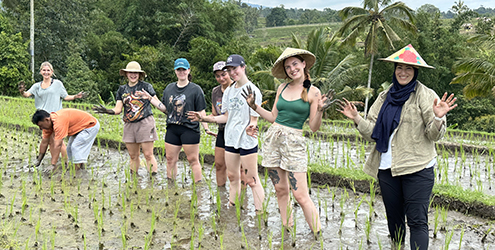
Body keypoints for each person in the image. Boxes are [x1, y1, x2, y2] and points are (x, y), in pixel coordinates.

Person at [338, 44, 457, 250]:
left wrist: (438, 118)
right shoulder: (385, 96)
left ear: (415, 71)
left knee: (417, 220)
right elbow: (372, 132)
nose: (403, 72)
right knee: (394, 220)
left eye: (408, 68)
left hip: (417, 167)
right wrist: (356, 117)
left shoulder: (425, 95)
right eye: (399, 68)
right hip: (386, 168)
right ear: (394, 70)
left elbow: (433, 135)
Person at [242, 48, 332, 233]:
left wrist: (321, 110)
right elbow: (274, 117)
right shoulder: (282, 88)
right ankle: (287, 229)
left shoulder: (313, 92)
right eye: (288, 66)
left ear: (304, 64)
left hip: (294, 143)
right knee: (280, 190)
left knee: (300, 195)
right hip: (274, 140)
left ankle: (318, 236)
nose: (292, 69)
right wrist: (254, 106)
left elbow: (314, 127)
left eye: (295, 64)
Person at [188, 54, 265, 211]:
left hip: (247, 139)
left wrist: (252, 125)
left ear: (243, 67)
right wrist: (204, 119)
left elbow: (254, 119)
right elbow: (225, 117)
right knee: (232, 177)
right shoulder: (229, 91)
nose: (232, 73)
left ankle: (259, 214)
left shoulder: (253, 91)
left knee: (251, 180)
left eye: (234, 69)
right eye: (229, 70)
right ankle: (232, 208)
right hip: (230, 139)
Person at [137, 58, 207, 183]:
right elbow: (165, 109)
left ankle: (198, 188)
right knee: (170, 159)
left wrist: (206, 127)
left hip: (189, 129)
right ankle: (171, 185)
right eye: (178, 69)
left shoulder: (196, 90)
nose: (181, 72)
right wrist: (150, 99)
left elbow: (201, 112)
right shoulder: (169, 88)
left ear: (188, 71)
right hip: (172, 129)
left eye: (184, 70)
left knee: (192, 159)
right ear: (175, 71)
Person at [92, 61, 159, 176]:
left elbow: (156, 102)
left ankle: (153, 180)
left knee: (148, 154)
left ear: (140, 75)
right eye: (130, 72)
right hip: (129, 124)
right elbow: (118, 109)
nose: (133, 75)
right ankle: (134, 179)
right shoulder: (122, 90)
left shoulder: (145, 87)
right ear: (126, 74)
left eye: (136, 73)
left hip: (145, 122)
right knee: (133, 155)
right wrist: (108, 111)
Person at [19, 61, 86, 167]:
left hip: (56, 117)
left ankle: (66, 162)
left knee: (58, 141)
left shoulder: (57, 84)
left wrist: (75, 96)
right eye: (44, 70)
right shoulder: (37, 86)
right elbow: (27, 94)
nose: (46, 72)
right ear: (40, 72)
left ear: (52, 72)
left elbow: (65, 96)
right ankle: (54, 161)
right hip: (43, 119)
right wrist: (22, 91)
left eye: (48, 70)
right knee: (49, 141)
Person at [31, 109, 100, 171]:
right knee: (69, 148)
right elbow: (44, 143)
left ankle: (76, 171)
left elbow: (58, 145)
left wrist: (53, 164)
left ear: (47, 120)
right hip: (79, 128)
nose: (40, 128)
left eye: (41, 125)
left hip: (90, 125)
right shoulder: (48, 126)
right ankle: (79, 167)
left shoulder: (59, 122)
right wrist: (38, 161)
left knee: (76, 147)